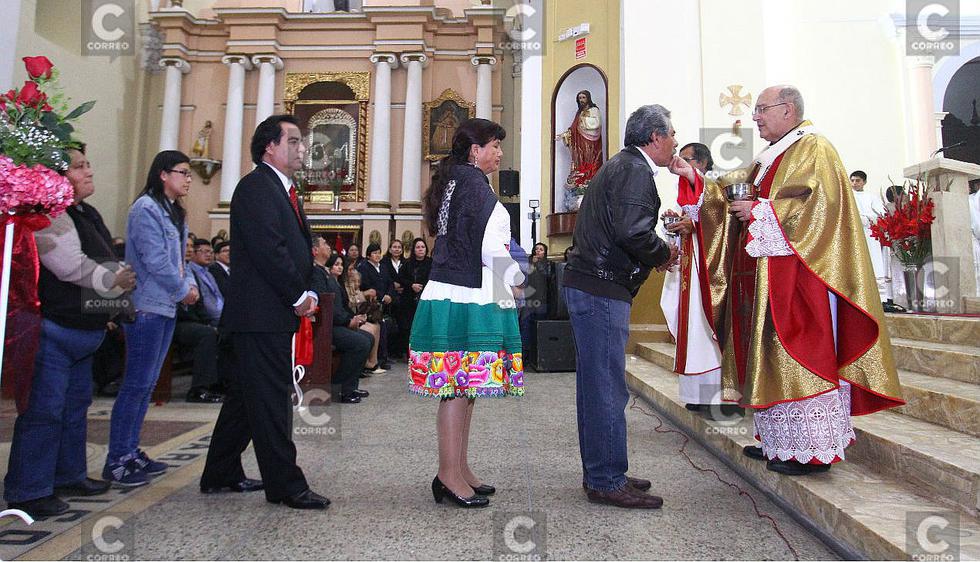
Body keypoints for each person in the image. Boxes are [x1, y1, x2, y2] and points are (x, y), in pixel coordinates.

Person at [696, 85, 904, 475]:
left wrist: (761, 210)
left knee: (797, 355)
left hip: (802, 277)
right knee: (769, 356)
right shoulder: (771, 155)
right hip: (769, 276)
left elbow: (818, 207)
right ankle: (781, 441)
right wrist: (699, 184)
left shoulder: (814, 148)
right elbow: (731, 188)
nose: (755, 117)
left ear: (787, 110)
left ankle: (811, 451)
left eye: (762, 110)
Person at [200, 114, 326, 509]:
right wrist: (297, 297)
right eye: (292, 140)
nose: (301, 147)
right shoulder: (256, 188)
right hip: (259, 315)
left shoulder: (284, 190)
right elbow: (269, 250)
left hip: (264, 314)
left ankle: (220, 472)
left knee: (243, 398)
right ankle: (286, 485)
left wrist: (311, 290)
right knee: (272, 399)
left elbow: (296, 250)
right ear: (268, 146)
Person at [4, 145, 136, 517]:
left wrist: (112, 299)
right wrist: (115, 281)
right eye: (80, 167)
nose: (89, 172)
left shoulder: (85, 211)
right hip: (54, 327)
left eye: (88, 164)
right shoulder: (48, 214)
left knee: (76, 406)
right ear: (57, 176)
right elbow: (69, 266)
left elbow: (105, 256)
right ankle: (29, 489)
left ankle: (68, 474)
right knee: (44, 410)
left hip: (84, 326)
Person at [562, 104, 679, 509]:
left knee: (597, 385)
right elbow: (633, 232)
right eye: (672, 134)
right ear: (654, 137)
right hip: (601, 286)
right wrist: (664, 251)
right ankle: (606, 480)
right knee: (605, 386)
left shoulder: (619, 165)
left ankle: (604, 470)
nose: (676, 142)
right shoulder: (634, 170)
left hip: (593, 284)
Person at [411, 118, 524, 508]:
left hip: (457, 291)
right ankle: (447, 475)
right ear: (475, 150)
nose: (499, 152)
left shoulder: (456, 180)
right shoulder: (475, 186)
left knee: (464, 388)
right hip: (468, 297)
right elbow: (490, 250)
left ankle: (459, 468)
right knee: (458, 390)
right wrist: (519, 277)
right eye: (494, 145)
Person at [103, 150, 199, 487]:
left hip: (167, 305)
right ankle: (117, 459)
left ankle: (130, 451)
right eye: (183, 172)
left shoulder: (174, 212)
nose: (188, 178)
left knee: (147, 384)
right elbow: (155, 260)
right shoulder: (145, 209)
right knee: (136, 384)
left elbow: (180, 260)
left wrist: (188, 284)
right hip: (146, 305)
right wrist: (182, 289)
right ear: (163, 174)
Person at [659, 142, 729, 416]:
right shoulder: (689, 192)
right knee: (692, 330)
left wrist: (696, 224)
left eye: (687, 159)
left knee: (707, 330)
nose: (681, 164)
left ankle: (717, 397)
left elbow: (723, 224)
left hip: (710, 275)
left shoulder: (717, 186)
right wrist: (674, 224)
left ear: (700, 163)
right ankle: (697, 394)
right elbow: (690, 223)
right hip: (690, 269)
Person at [309, 244, 372, 403]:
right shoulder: (317, 273)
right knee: (361, 343)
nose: (327, 246)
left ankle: (351, 386)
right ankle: (339, 387)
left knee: (368, 338)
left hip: (336, 322)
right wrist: (347, 321)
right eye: (324, 244)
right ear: (316, 250)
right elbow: (326, 305)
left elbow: (341, 306)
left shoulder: (328, 276)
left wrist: (355, 317)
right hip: (326, 326)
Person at [176, 238, 225, 403]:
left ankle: (221, 383)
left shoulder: (203, 273)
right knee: (206, 334)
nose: (188, 249)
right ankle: (199, 389)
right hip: (176, 319)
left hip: (194, 317)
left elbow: (204, 302)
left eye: (191, 246)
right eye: (186, 246)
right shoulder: (176, 269)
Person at [850, 171, 894, 311]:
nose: (854, 183)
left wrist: (865, 218)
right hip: (853, 234)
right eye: (852, 180)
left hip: (869, 233)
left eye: (857, 180)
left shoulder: (871, 197)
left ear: (864, 182)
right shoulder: (847, 197)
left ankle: (880, 299)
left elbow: (881, 214)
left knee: (875, 263)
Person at [557, 90, 603, 211]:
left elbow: (596, 124)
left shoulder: (594, 110)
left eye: (583, 97)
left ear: (588, 98)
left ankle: (589, 181)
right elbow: (573, 129)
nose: (582, 100)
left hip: (592, 143)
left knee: (591, 162)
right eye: (580, 98)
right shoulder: (579, 112)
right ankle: (580, 183)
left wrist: (584, 120)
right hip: (579, 144)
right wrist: (564, 135)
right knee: (580, 164)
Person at [344, 258, 384, 374]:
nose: (351, 271)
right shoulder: (344, 285)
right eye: (350, 269)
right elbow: (352, 301)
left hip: (355, 317)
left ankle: (373, 362)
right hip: (347, 321)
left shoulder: (353, 287)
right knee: (369, 330)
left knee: (376, 326)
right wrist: (364, 294)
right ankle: (364, 363)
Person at [358, 243, 394, 369]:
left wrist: (389, 294)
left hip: (385, 303)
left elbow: (390, 283)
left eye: (379, 252)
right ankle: (378, 358)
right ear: (368, 255)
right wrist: (381, 296)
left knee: (386, 328)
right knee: (379, 327)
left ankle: (384, 357)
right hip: (372, 303)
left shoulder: (383, 267)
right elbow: (366, 285)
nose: (377, 255)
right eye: (374, 253)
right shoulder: (364, 267)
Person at [400, 237, 432, 346]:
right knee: (409, 325)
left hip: (425, 297)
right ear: (414, 249)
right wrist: (411, 285)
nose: (420, 249)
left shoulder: (430, 263)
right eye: (418, 247)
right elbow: (401, 278)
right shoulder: (407, 263)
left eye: (423, 247)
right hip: (409, 297)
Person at [519, 242, 550, 353]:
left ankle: (538, 353)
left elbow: (547, 275)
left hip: (542, 300)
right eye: (536, 249)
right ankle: (525, 353)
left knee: (540, 328)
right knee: (525, 326)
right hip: (528, 300)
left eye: (541, 249)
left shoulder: (547, 263)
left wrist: (538, 264)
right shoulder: (528, 262)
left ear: (545, 252)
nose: (538, 251)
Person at [381, 239, 408, 359]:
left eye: (399, 247)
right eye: (394, 247)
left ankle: (400, 350)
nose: (397, 249)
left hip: (403, 296)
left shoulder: (406, 262)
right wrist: (393, 286)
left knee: (403, 324)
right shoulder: (384, 262)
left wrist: (402, 285)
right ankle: (389, 351)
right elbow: (384, 277)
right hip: (390, 297)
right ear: (390, 249)